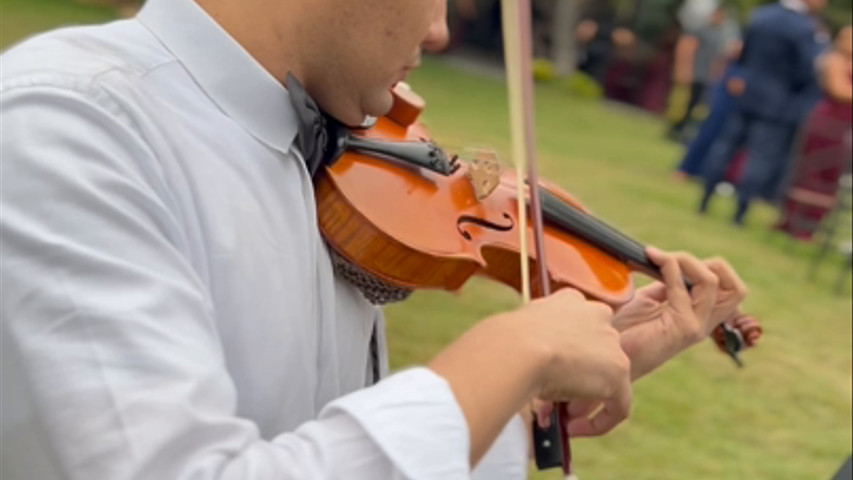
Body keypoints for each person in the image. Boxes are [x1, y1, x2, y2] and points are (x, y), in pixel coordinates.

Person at [0, 0, 749, 479]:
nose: (441, 31)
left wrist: (522, 395)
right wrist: (511, 352)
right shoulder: (68, 127)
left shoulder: (331, 141)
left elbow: (307, 440)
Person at [698, 0, 828, 226]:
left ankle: (704, 201)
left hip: (746, 92)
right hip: (777, 102)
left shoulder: (762, 14)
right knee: (759, 158)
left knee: (725, 147)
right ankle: (740, 213)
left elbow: (744, 53)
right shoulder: (805, 27)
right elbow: (806, 70)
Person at [775, 25, 853, 240]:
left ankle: (812, 224)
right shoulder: (834, 60)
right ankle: (794, 220)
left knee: (832, 173)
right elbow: (838, 90)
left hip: (846, 126)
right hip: (827, 120)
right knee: (812, 168)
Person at [668, 6, 736, 141]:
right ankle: (674, 129)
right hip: (694, 72)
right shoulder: (700, 30)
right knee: (683, 103)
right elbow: (686, 47)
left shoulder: (721, 34)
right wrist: (684, 69)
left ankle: (684, 130)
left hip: (707, 76)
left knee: (697, 106)